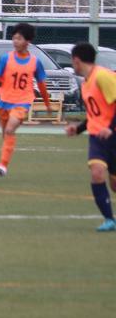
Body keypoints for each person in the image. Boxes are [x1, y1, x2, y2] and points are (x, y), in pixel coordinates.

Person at [0, 22, 52, 176]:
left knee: (10, 130)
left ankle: (3, 165)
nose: (15, 41)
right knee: (6, 134)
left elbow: (42, 85)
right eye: (14, 38)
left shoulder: (35, 62)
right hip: (4, 101)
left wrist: (47, 103)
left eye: (19, 38)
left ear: (28, 41)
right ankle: (4, 161)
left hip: (23, 102)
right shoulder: (6, 59)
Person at [65, 42, 116, 232]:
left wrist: (110, 128)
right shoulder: (86, 84)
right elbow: (95, 114)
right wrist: (78, 129)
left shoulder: (103, 76)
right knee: (97, 173)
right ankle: (109, 220)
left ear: (76, 60)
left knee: (114, 184)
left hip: (113, 135)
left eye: (72, 61)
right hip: (98, 138)